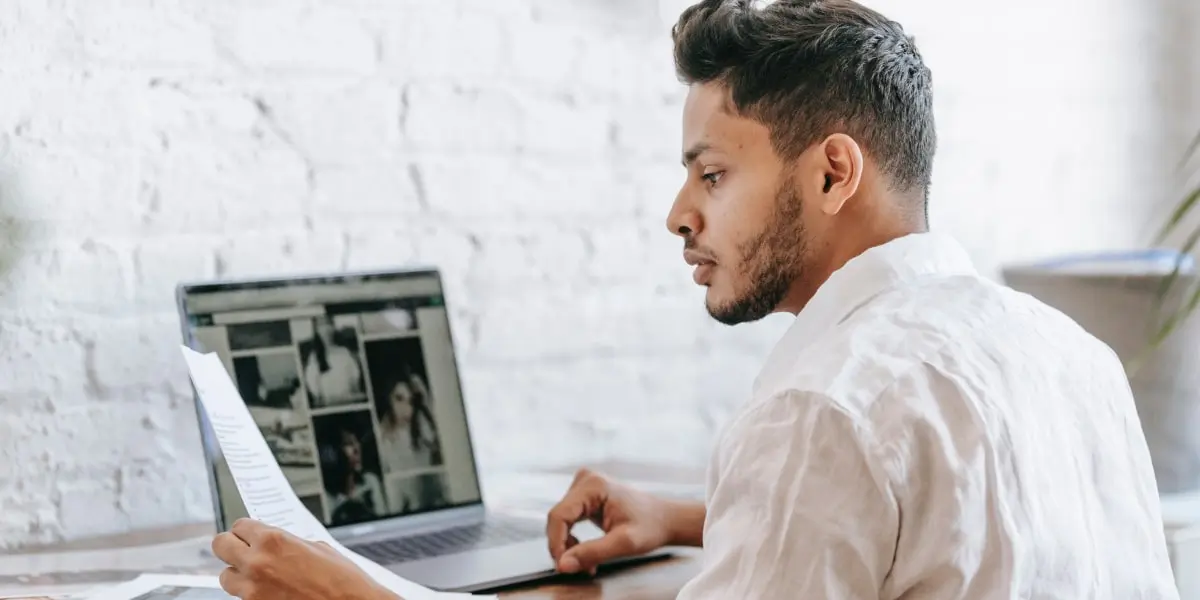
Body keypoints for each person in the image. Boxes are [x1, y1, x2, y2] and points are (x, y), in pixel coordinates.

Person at [209, 1, 1180, 598]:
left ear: (833, 172)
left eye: (711, 174)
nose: (679, 214)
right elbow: (947, 533)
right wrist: (692, 518)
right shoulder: (1071, 356)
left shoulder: (824, 408)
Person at [322, 426, 385, 526]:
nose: (357, 449)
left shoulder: (371, 481)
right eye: (349, 444)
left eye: (357, 442)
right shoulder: (326, 497)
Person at [301, 315, 364, 407]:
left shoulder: (344, 352)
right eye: (321, 325)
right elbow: (316, 394)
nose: (326, 329)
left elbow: (355, 384)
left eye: (329, 324)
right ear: (316, 330)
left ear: (333, 327)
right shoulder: (313, 358)